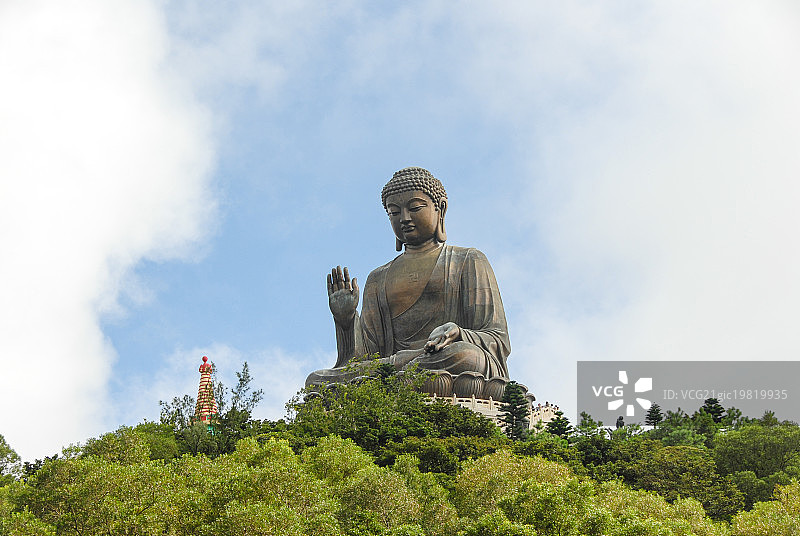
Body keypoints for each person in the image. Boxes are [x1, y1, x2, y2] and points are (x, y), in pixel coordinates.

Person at [306, 167, 511, 394]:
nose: (404, 218)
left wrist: (458, 333)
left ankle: (402, 377)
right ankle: (402, 376)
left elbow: (496, 339)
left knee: (465, 356)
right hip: (393, 368)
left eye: (414, 208)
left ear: (440, 208)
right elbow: (364, 358)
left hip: (445, 360)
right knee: (316, 380)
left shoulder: (467, 260)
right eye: (394, 213)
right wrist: (345, 319)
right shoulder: (378, 277)